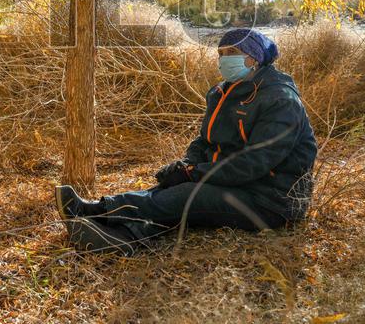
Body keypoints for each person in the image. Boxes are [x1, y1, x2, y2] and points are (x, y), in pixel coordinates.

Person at [55, 27, 317, 255]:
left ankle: (96, 210)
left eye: (231, 53)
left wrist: (194, 174)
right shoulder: (221, 92)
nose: (223, 59)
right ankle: (123, 236)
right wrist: (186, 165)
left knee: (187, 195)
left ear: (253, 58)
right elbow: (205, 141)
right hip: (239, 184)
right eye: (221, 53)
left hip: (271, 199)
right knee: (172, 191)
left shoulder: (281, 100)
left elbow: (254, 162)